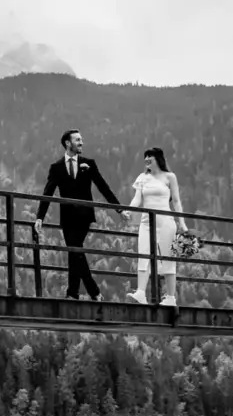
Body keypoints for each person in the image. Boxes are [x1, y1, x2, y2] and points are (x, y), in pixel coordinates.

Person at [34, 129, 121, 300]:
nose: (81, 143)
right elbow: (47, 193)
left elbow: (103, 186)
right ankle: (75, 293)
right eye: (78, 140)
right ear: (68, 143)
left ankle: (88, 291)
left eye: (81, 140)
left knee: (74, 249)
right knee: (75, 251)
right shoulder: (57, 167)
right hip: (67, 218)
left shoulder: (89, 163)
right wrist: (39, 217)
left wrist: (118, 208)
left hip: (84, 216)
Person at [127, 146, 188, 307]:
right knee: (144, 254)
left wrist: (182, 223)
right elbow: (137, 199)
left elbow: (176, 201)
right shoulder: (142, 178)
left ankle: (170, 297)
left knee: (168, 257)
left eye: (150, 157)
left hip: (166, 221)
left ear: (158, 159)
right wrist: (129, 210)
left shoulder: (169, 177)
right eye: (145, 157)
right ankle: (141, 292)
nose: (146, 159)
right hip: (147, 221)